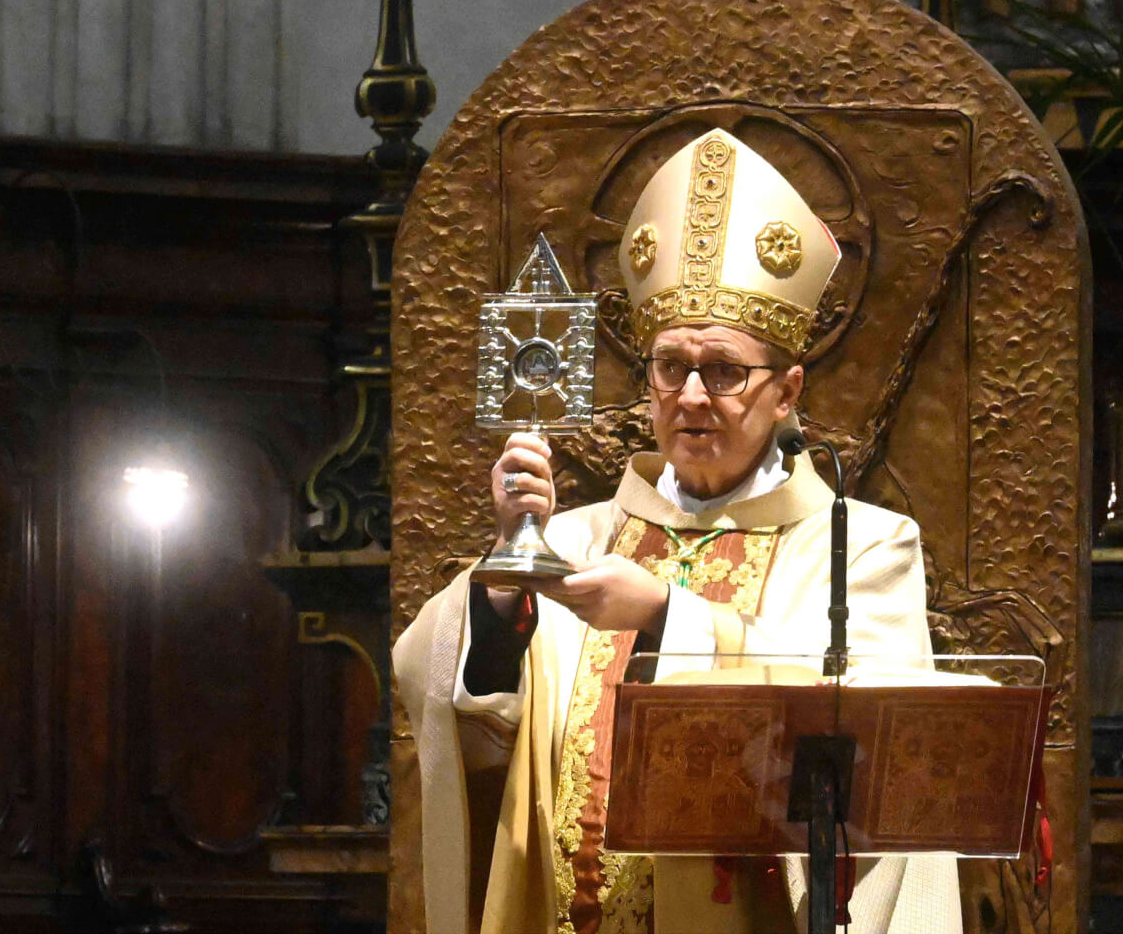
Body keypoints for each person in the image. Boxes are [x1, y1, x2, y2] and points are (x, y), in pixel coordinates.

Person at [394, 128, 960, 934]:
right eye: (670, 367)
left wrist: (668, 615)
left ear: (788, 391)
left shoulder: (861, 546)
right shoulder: (581, 541)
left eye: (724, 370)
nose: (691, 395)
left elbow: (880, 753)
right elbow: (438, 686)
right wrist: (501, 589)